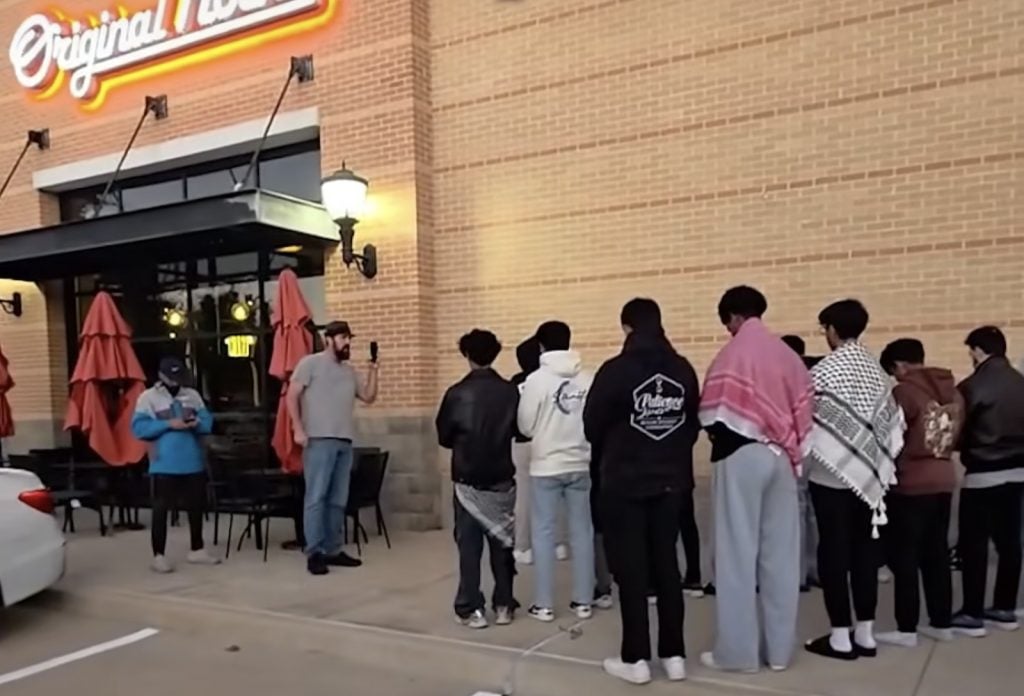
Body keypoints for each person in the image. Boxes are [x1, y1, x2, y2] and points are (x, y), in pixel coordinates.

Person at [584, 298, 699, 685]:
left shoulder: (616, 371)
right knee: (667, 564)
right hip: (671, 482)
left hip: (624, 484)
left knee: (631, 571)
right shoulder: (683, 370)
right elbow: (691, 424)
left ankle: (635, 659)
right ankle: (674, 654)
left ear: (627, 328)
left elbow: (592, 424)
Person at [698, 288, 813, 673]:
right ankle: (780, 653)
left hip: (739, 456)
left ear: (732, 317)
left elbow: (712, 412)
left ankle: (739, 654)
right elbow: (804, 407)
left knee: (735, 557)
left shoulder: (731, 354)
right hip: (782, 457)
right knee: (781, 557)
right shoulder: (787, 355)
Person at [804, 300, 904, 661]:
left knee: (833, 552)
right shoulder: (876, 370)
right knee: (865, 552)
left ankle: (840, 636)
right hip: (869, 478)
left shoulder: (824, 371)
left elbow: (807, 418)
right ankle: (866, 633)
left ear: (831, 329)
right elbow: (889, 422)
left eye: (823, 328)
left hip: (829, 476)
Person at [875, 338, 962, 647]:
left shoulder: (904, 392)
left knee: (906, 556)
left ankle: (907, 627)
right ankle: (941, 622)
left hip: (910, 482)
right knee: (937, 553)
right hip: (944, 477)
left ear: (900, 365)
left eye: (893, 371)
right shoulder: (953, 390)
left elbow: (889, 437)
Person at [437, 329, 520, 629]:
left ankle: (471, 608)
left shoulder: (456, 393)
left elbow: (444, 437)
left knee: (469, 549)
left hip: (468, 482)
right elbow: (521, 431)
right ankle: (504, 604)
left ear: (467, 355)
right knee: (502, 543)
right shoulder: (510, 391)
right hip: (502, 479)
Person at [518, 321, 595, 622]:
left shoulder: (536, 380)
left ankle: (545, 604)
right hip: (580, 462)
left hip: (546, 465)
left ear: (540, 346)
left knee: (544, 533)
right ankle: (583, 602)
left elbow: (525, 424)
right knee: (581, 532)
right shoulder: (587, 378)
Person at [288, 321, 378, 576]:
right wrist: (297, 428)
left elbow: (369, 396)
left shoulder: (349, 372)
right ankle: (314, 552)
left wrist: (374, 370)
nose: (347, 343)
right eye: (342, 338)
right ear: (328, 339)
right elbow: (292, 396)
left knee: (338, 499)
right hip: (317, 439)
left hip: (344, 440)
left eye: (349, 338)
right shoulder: (310, 364)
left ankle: (333, 549)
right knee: (316, 497)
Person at [953, 326, 1024, 635]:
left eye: (971, 351)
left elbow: (957, 434)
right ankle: (1005, 607)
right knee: (1010, 543)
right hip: (1019, 472)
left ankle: (972, 611)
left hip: (982, 473)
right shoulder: (1021, 384)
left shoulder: (970, 387)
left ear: (978, 350)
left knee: (974, 545)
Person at [132, 357, 219, 573]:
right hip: (163, 462)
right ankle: (158, 555)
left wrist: (198, 423)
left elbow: (207, 420)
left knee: (196, 506)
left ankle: (197, 549)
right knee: (160, 509)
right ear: (161, 376)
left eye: (178, 377)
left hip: (192, 460)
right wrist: (168, 424)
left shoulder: (192, 395)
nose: (175, 382)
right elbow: (139, 428)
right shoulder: (148, 398)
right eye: (171, 377)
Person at [782, 334, 821, 593]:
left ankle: (797, 575)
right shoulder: (815, 374)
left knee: (795, 512)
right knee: (813, 513)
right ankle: (815, 568)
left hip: (795, 446)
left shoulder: (787, 376)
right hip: (817, 447)